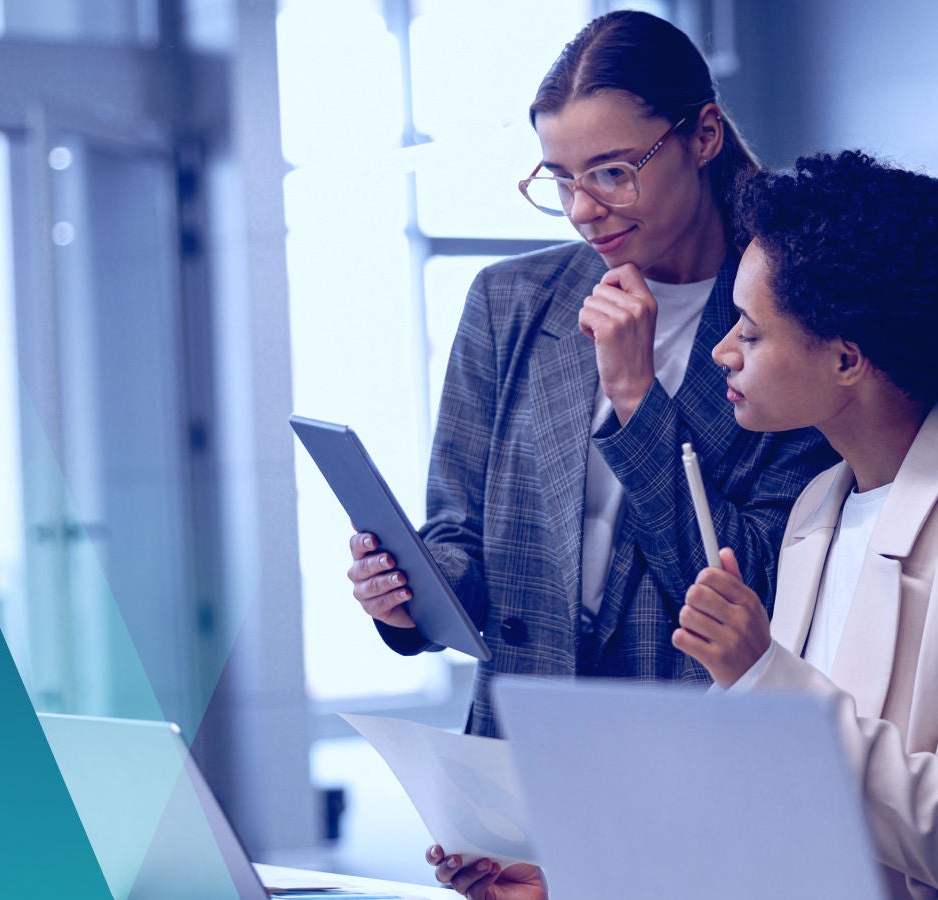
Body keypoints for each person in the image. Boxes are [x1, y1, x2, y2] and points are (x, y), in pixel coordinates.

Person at [430, 153, 938, 899]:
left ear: (844, 359)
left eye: (750, 330)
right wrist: (569, 877)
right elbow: (759, 813)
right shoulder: (815, 513)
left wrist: (762, 673)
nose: (721, 351)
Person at [346, 9, 836, 739]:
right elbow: (460, 531)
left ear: (703, 136)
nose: (582, 209)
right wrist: (411, 593)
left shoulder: (795, 315)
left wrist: (638, 397)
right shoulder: (507, 302)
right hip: (518, 740)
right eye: (561, 178)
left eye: (612, 173)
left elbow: (757, 582)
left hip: (693, 747)